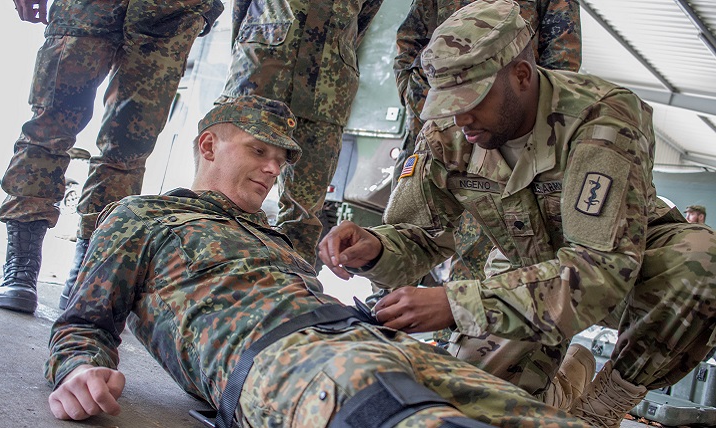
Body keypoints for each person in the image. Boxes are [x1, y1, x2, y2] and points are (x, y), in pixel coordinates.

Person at [45, 96, 590, 428]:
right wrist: (77, 370)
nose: (272, 169)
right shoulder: (144, 216)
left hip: (374, 340)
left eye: (280, 160)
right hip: (282, 361)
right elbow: (83, 321)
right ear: (209, 145)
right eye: (259, 151)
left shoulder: (278, 238)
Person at [317, 1, 716, 427]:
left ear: (522, 76)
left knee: (701, 262)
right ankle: (562, 387)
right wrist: (375, 248)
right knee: (471, 404)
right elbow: (419, 236)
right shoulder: (451, 132)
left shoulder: (603, 116)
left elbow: (601, 270)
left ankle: (601, 407)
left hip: (626, 266)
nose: (459, 118)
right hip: (525, 265)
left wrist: (457, 304)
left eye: (470, 100)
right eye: (447, 103)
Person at [0, 0, 224, 314]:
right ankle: (21, 266)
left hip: (170, 11)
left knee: (128, 149)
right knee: (49, 127)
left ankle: (89, 275)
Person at [390, 0, 582, 288]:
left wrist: (528, 120)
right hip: (437, 132)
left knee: (487, 243)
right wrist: (436, 108)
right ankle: (389, 313)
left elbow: (561, 62)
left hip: (509, 138)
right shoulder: (441, 126)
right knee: (411, 225)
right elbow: (409, 42)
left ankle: (462, 322)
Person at [215, 0, 384, 267]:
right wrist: (253, 40)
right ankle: (210, 274)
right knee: (228, 192)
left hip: (327, 92)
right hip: (263, 72)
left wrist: (340, 53)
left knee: (304, 214)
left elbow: (364, 17)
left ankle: (291, 292)